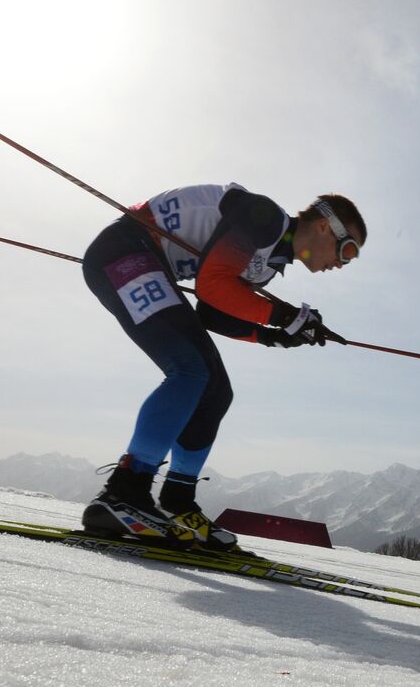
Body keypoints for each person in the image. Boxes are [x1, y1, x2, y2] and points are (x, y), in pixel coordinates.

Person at [79, 184, 366, 552]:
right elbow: (213, 286)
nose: (342, 263)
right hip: (124, 251)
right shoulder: (266, 220)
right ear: (326, 227)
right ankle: (123, 494)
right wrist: (284, 316)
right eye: (349, 250)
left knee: (215, 388)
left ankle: (178, 501)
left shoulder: (267, 261)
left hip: (145, 261)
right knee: (190, 370)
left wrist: (274, 336)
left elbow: (211, 313)